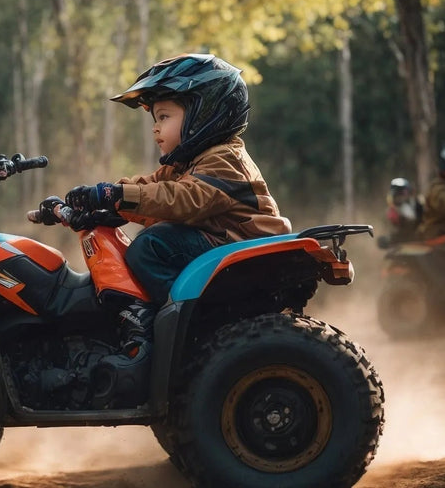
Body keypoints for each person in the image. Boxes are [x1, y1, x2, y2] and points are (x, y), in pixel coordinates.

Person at [59, 53, 292, 407]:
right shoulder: (187, 163)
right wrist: (97, 201)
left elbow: (184, 199)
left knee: (152, 246)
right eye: (154, 119)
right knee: (149, 240)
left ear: (206, 113)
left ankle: (177, 333)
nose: (155, 128)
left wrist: (117, 196)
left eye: (164, 116)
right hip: (220, 245)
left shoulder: (224, 159)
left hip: (244, 250)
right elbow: (151, 189)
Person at [385, 177, 422, 244]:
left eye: (402, 191)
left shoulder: (417, 203)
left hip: (419, 240)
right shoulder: (392, 210)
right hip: (401, 242)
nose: (400, 195)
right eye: (397, 192)